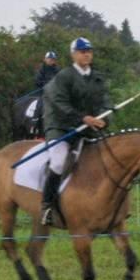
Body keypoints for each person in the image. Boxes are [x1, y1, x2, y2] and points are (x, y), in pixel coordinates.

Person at [40, 37, 110, 226]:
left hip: (87, 128)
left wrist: (104, 117)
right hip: (60, 127)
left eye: (89, 51)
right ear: (73, 54)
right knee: (58, 162)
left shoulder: (97, 77)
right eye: (82, 51)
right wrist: (83, 118)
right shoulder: (64, 76)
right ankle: (47, 206)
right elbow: (60, 103)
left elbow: (104, 101)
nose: (87, 54)